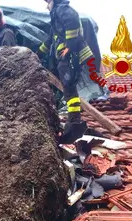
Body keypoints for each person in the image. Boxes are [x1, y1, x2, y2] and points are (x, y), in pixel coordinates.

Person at [38, 0, 94, 143]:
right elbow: (50, 40)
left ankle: (74, 121)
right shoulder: (56, 18)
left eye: (48, 2)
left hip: (71, 57)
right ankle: (73, 121)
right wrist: (37, 54)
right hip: (66, 58)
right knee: (69, 89)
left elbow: (73, 21)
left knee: (70, 89)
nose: (47, 5)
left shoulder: (62, 9)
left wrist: (69, 46)